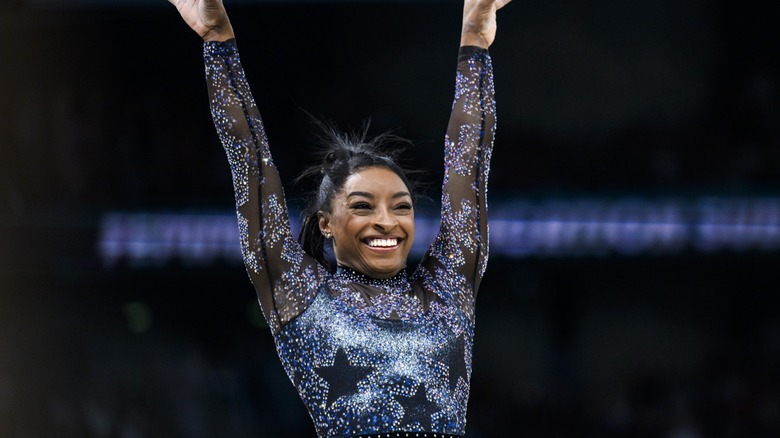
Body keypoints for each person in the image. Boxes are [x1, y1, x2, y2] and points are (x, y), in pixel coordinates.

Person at [169, 0, 510, 436]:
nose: (387, 221)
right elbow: (250, 164)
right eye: (363, 206)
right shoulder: (301, 294)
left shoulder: (446, 293)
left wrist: (475, 41)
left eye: (401, 206)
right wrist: (219, 42)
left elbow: (470, 160)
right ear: (326, 222)